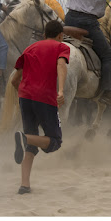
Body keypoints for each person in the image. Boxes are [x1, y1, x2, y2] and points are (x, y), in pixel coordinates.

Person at [11, 20, 69, 195]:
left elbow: (15, 79)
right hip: (44, 97)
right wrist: (60, 91)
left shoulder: (30, 48)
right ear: (60, 35)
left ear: (44, 34)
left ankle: (24, 185)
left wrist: (21, 91)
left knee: (31, 139)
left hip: (25, 97)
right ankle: (24, 138)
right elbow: (61, 64)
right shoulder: (61, 47)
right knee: (55, 141)